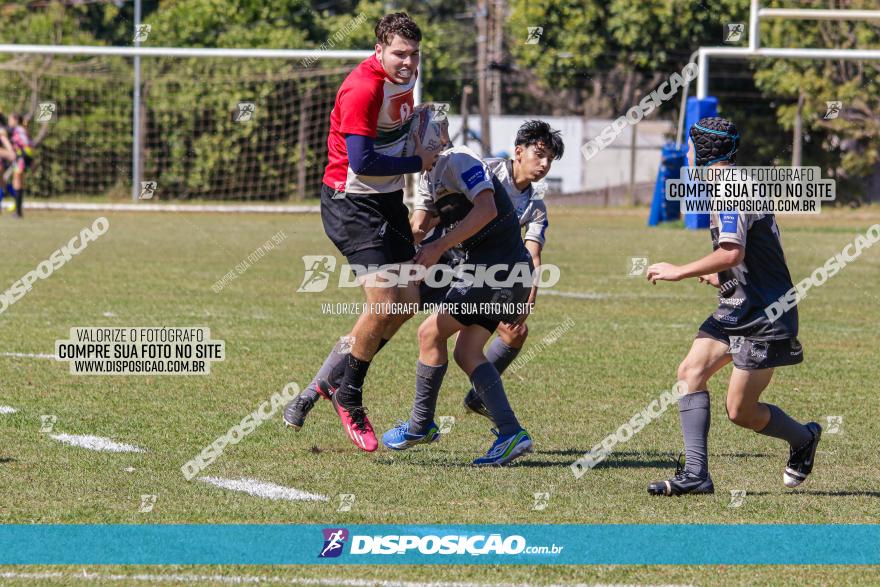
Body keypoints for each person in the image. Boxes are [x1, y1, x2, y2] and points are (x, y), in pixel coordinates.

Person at [283, 12, 441, 452]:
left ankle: (324, 385)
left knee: (407, 302)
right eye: (399, 54)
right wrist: (420, 161)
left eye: (414, 54)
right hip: (350, 202)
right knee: (385, 299)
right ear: (379, 50)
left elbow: (395, 130)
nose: (408, 62)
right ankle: (349, 394)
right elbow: (362, 162)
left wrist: (424, 126)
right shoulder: (362, 87)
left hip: (387, 201)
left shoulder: (404, 79)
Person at [645, 116, 820, 496]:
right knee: (690, 371)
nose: (688, 154)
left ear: (703, 151)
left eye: (691, 147)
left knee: (740, 412)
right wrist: (722, 277)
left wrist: (679, 270)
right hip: (738, 304)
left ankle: (803, 438)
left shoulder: (731, 187)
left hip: (766, 313)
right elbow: (749, 255)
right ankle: (696, 475)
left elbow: (732, 251)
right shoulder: (726, 186)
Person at [381, 138, 535, 466]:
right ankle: (511, 433)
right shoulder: (429, 176)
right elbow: (419, 227)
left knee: (429, 333)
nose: (404, 151)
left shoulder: (459, 159)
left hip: (495, 269)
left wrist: (439, 247)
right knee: (466, 352)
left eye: (409, 142)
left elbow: (487, 208)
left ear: (429, 139)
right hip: (504, 273)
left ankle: (421, 425)